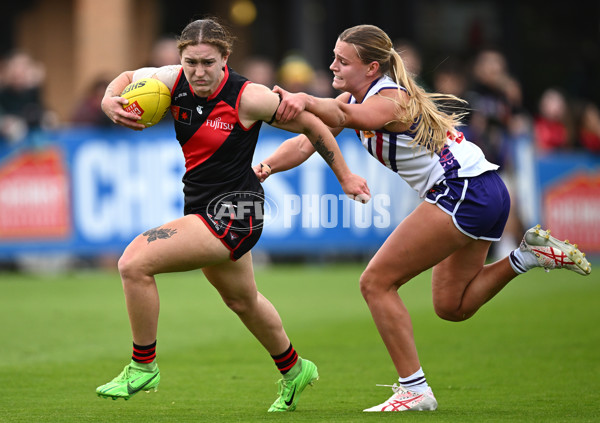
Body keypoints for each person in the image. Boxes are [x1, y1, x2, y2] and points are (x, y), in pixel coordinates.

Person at [255, 24, 592, 412]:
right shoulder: (362, 94)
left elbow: (345, 114)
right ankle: (526, 257)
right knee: (452, 306)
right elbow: (306, 140)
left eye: (342, 61)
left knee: (376, 282)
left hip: (464, 191)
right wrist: (263, 169)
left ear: (372, 67)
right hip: (481, 190)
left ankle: (414, 390)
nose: (332, 66)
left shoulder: (389, 98)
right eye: (333, 57)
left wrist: (304, 99)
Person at [96, 18, 370, 412]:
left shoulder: (248, 96)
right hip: (200, 205)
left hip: (235, 212)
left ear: (225, 57)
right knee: (243, 301)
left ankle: (143, 365)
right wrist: (109, 99)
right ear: (181, 58)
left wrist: (345, 176)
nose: (199, 72)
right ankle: (295, 370)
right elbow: (124, 77)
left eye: (208, 62)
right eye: (191, 62)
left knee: (133, 263)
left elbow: (314, 125)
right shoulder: (171, 80)